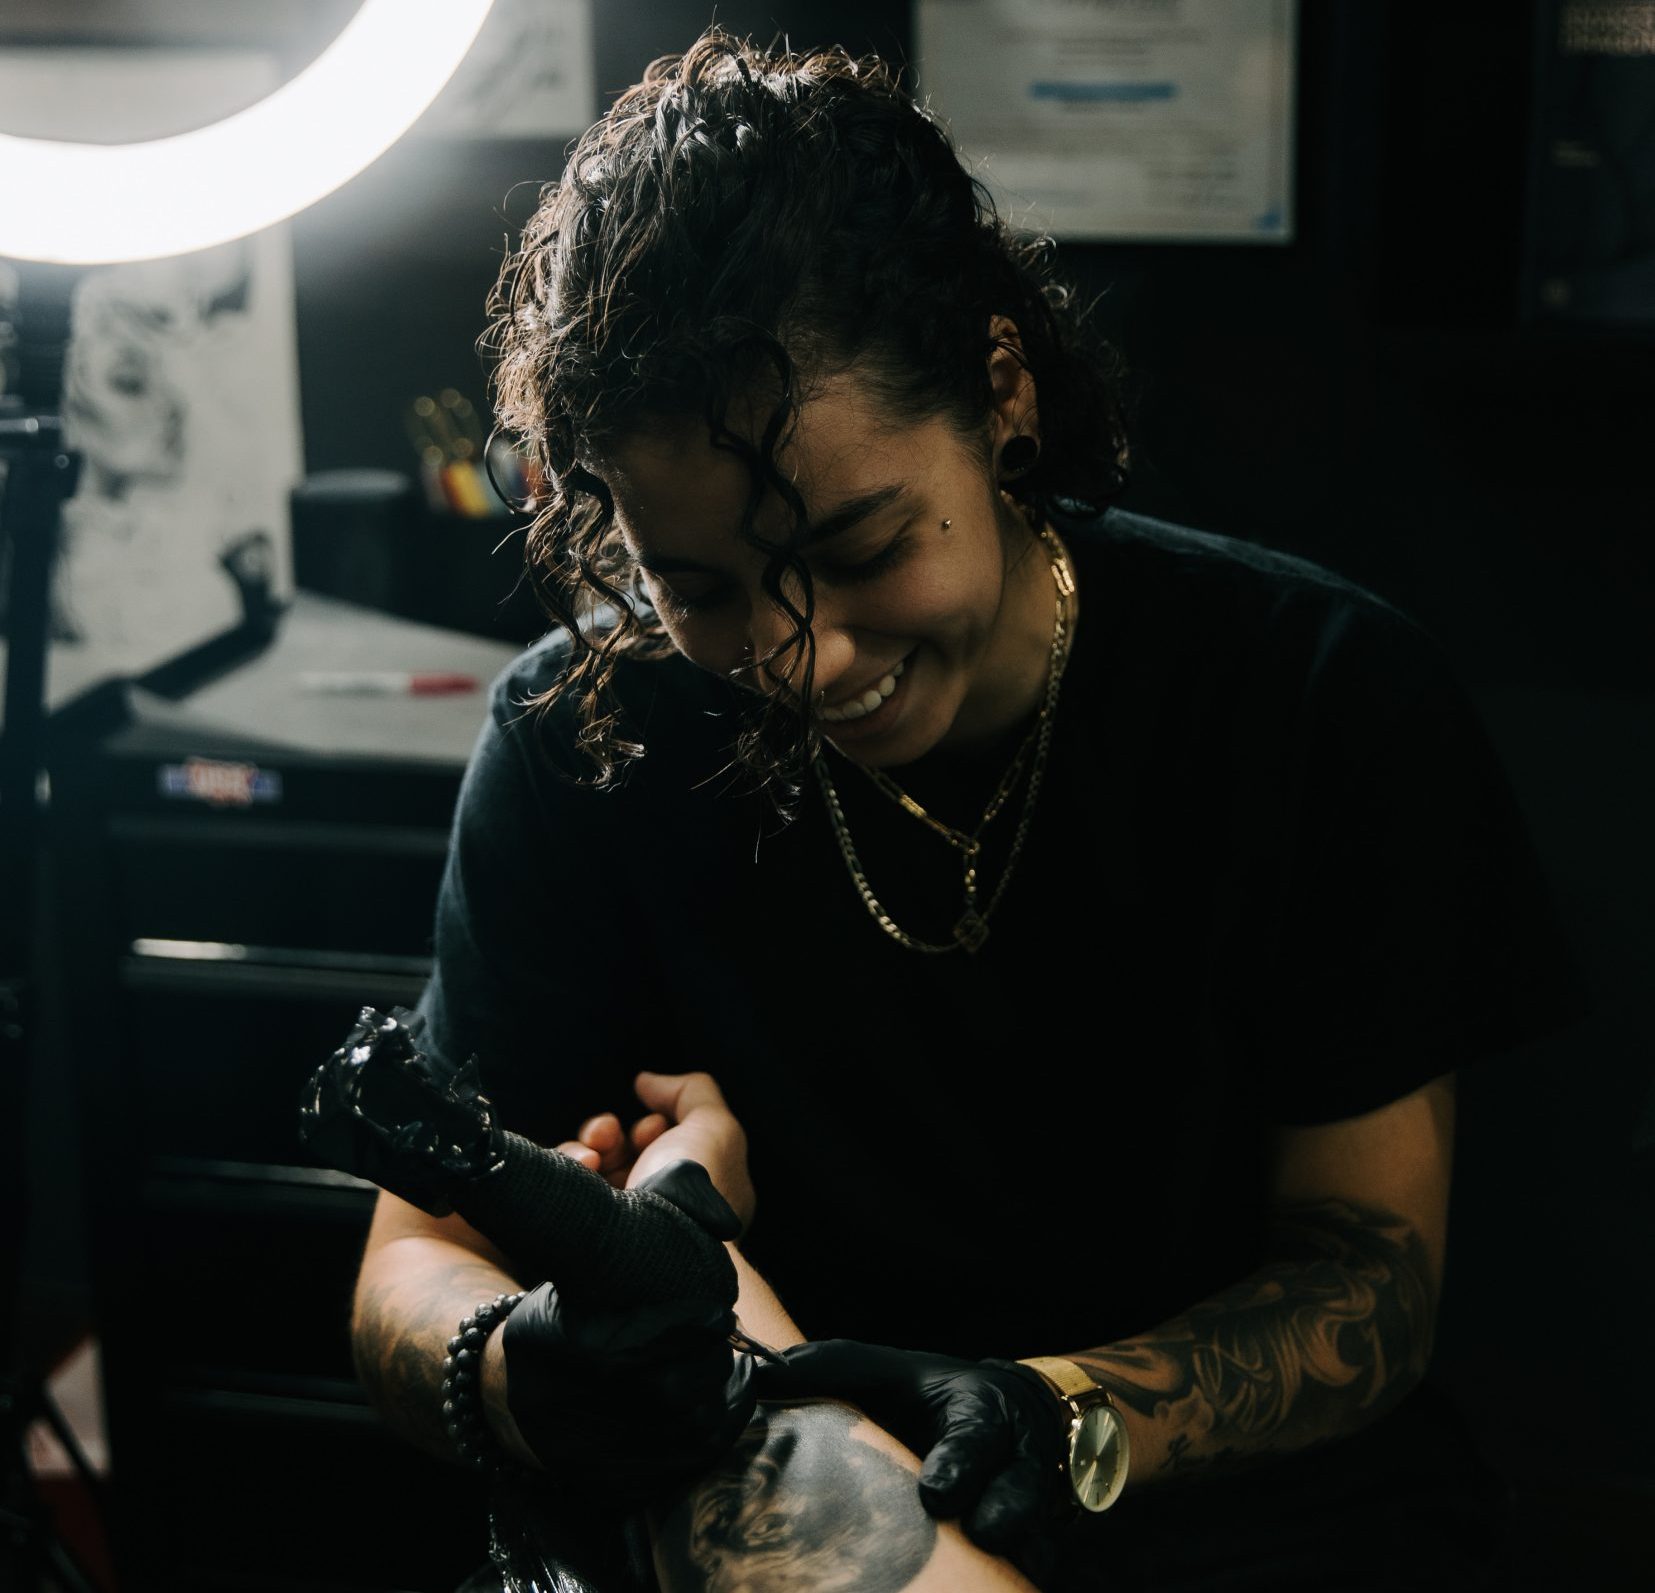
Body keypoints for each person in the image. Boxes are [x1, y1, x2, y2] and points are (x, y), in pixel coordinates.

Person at [351, 30, 1588, 1593]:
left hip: (1221, 1517)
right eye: (706, 588)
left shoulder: (1316, 696)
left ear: (999, 388)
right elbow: (407, 1266)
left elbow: (1373, 1286)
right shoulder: (578, 734)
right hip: (755, 1497)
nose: (806, 657)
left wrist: (1053, 1404)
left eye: (863, 546)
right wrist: (530, 1371)